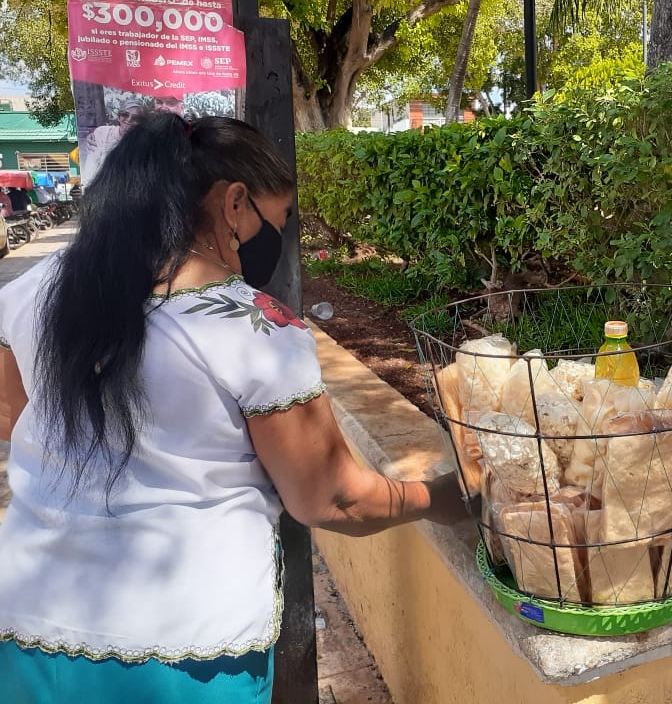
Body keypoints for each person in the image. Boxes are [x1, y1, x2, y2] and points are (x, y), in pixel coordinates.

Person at [0, 114, 470, 703]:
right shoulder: (257, 329)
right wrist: (440, 498)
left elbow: (16, 417)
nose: (279, 237)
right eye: (280, 219)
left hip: (29, 627)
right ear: (235, 204)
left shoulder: (31, 292)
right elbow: (333, 497)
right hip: (185, 659)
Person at [79, 97, 144, 186]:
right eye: (125, 114)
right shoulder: (103, 133)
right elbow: (90, 171)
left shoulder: (144, 141)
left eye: (136, 117)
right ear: (118, 117)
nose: (129, 120)